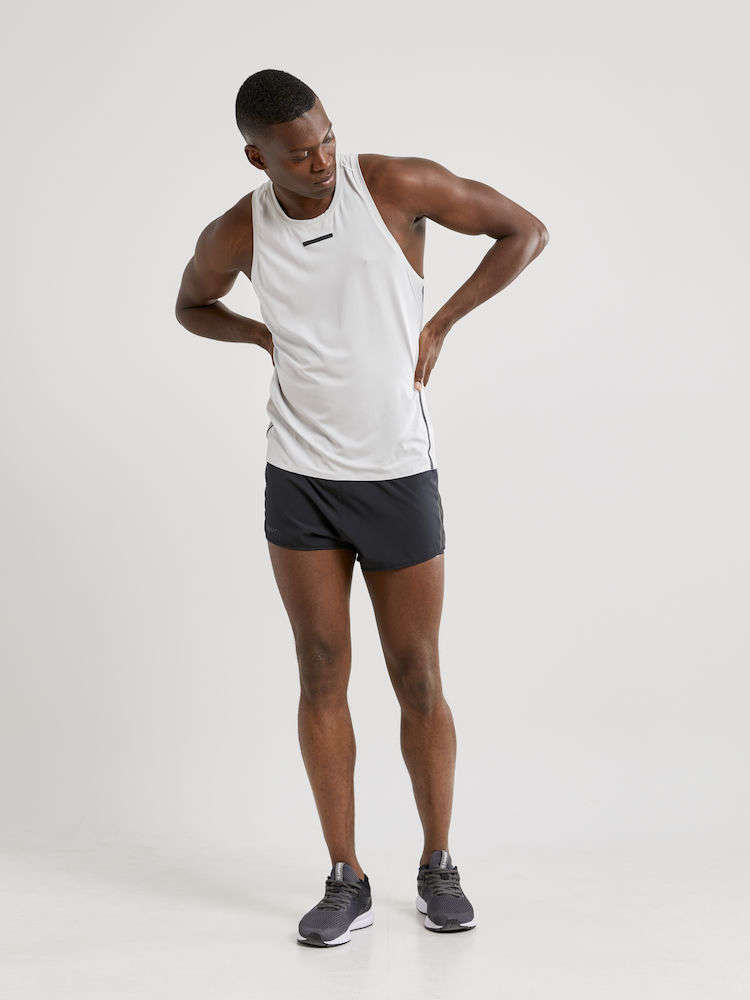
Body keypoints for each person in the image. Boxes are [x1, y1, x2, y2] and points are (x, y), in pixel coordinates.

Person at [175, 68, 548, 947]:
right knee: (319, 671)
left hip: (395, 472)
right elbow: (191, 305)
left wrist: (441, 321)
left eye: (327, 139)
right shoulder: (238, 231)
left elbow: (524, 231)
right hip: (299, 476)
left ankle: (439, 863)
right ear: (257, 158)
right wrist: (256, 332)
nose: (321, 161)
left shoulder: (391, 186)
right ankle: (346, 876)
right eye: (299, 154)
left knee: (417, 674)